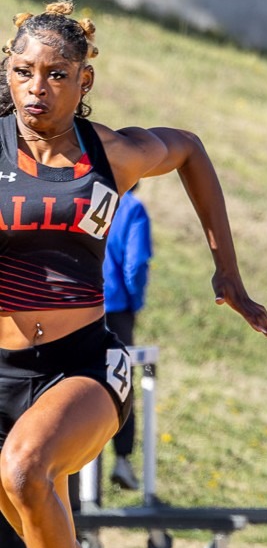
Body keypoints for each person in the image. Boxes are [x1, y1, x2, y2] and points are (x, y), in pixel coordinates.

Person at [1, 1, 267, 548]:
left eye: (57, 74)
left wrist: (228, 273)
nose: (38, 88)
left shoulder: (110, 155)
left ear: (83, 79)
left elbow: (188, 149)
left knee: (29, 470)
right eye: (24, 71)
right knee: (32, 511)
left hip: (83, 364)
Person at [102, 185, 152, 492]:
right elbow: (135, 265)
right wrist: (135, 304)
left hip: (76, 305)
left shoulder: (81, 195)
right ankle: (122, 458)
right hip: (117, 307)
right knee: (121, 384)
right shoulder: (131, 208)